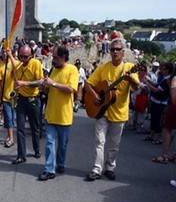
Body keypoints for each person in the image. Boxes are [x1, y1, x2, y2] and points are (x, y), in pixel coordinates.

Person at [18, 46, 78, 180]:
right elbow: (47, 91)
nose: (53, 60)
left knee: (62, 144)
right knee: (49, 142)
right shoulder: (53, 70)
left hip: (64, 115)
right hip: (51, 114)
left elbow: (71, 89)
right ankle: (49, 169)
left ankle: (60, 163)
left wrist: (53, 84)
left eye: (55, 57)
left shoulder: (72, 70)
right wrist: (44, 86)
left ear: (63, 57)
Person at [84, 38, 139, 181]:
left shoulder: (129, 68)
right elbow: (88, 84)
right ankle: (97, 169)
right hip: (102, 111)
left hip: (119, 112)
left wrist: (131, 80)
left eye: (118, 49)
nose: (115, 52)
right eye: (112, 49)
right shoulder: (103, 68)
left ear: (123, 52)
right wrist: (95, 96)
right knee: (99, 141)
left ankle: (110, 167)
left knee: (114, 145)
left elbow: (136, 87)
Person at [11, 44, 43, 164]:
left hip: (33, 99)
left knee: (34, 127)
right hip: (21, 99)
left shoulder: (36, 64)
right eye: (20, 57)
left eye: (25, 57)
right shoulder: (18, 66)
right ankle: (21, 155)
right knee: (20, 128)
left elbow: (40, 82)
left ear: (31, 56)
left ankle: (37, 149)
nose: (23, 59)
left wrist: (24, 83)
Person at [0, 48, 18, 148]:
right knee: (8, 117)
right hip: (5, 97)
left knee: (13, 117)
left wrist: (11, 56)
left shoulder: (15, 62)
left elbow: (17, 68)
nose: (5, 54)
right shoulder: (0, 67)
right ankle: (11, 138)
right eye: (3, 52)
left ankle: (10, 135)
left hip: (14, 95)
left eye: (6, 52)